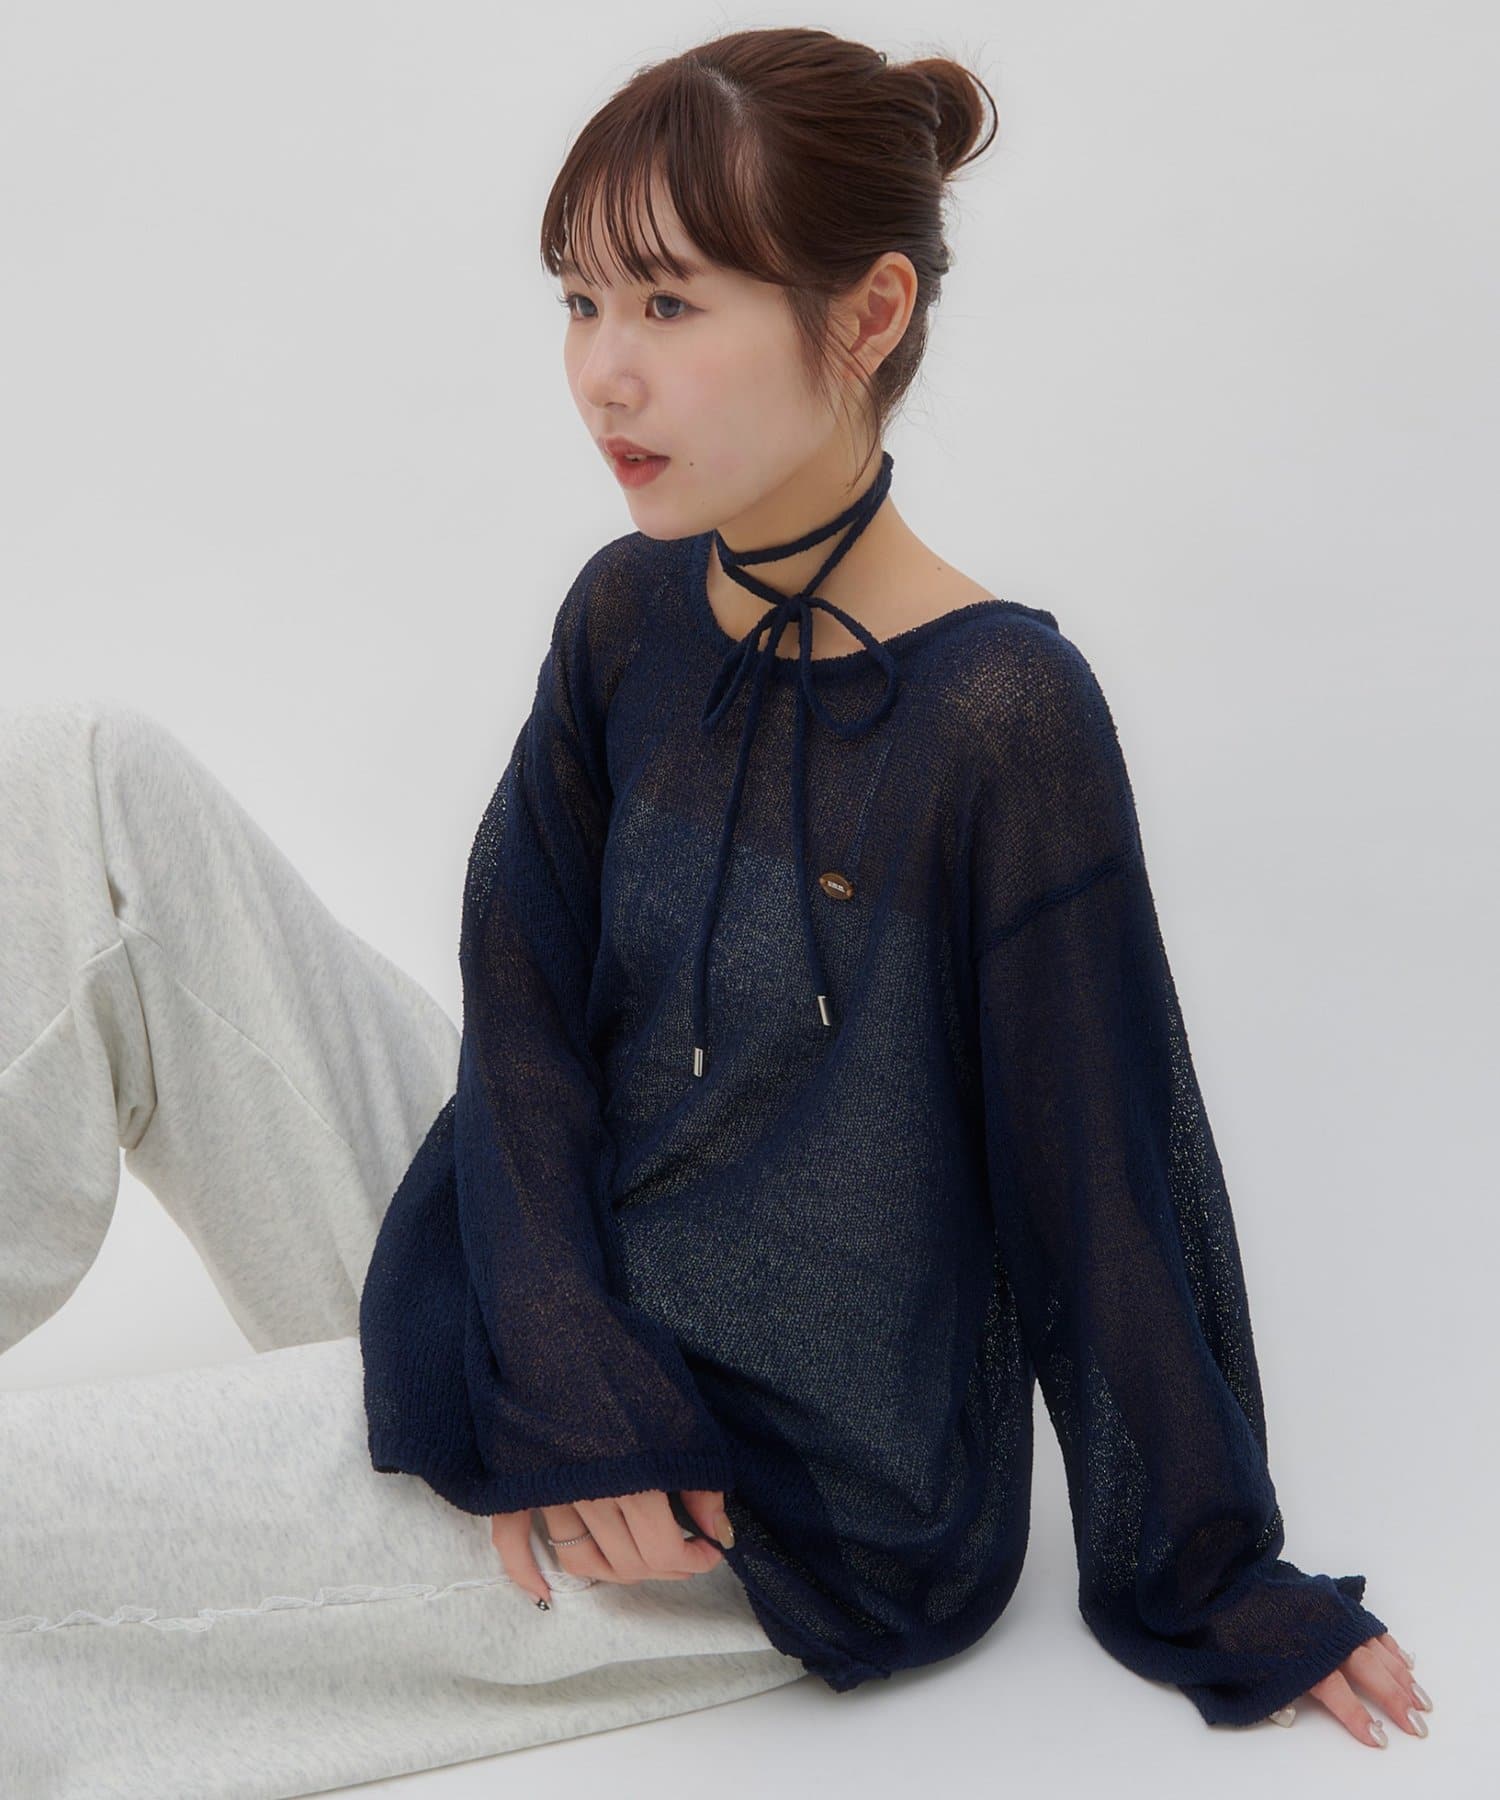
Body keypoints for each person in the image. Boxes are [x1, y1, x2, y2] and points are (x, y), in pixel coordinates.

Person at [0, 26, 1427, 1798]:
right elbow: (521, 998)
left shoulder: (1000, 718)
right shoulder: (630, 614)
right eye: (580, 302)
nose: (604, 374)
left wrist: (1219, 1575)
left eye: (669, 305)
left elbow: (1104, 1184)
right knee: (85, 776)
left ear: (869, 313)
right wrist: (561, 1351)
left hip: (751, 1485)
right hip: (540, 1282)